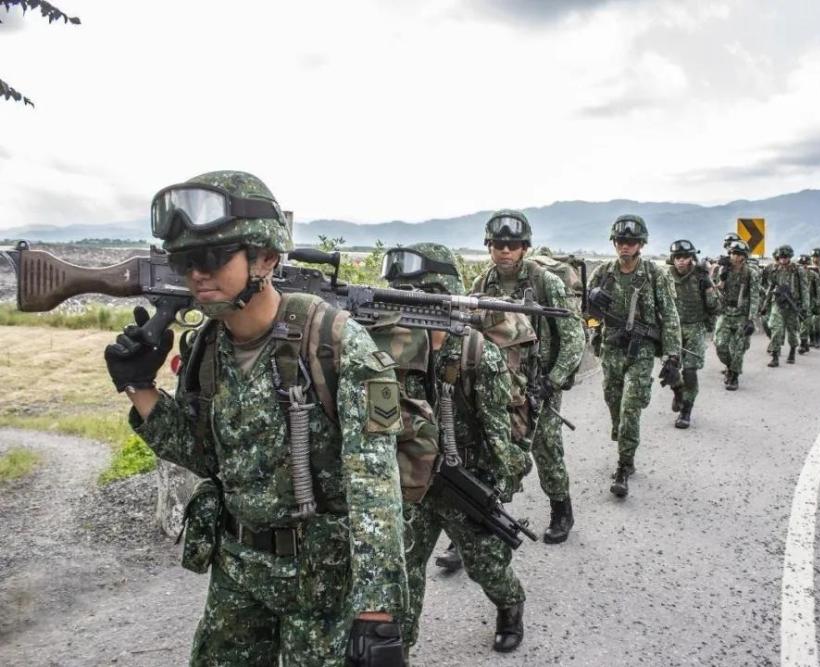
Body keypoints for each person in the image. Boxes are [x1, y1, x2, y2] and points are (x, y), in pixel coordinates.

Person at [104, 171, 408, 666]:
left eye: (212, 258)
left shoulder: (335, 341)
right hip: (238, 573)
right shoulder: (209, 345)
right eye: (184, 261)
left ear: (265, 258)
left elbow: (374, 487)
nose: (196, 275)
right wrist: (140, 388)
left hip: (322, 582)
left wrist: (377, 614)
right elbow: (206, 456)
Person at [383, 243, 530, 654]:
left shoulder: (475, 353)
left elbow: (499, 434)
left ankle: (510, 605)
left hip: (462, 478)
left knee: (488, 566)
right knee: (404, 570)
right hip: (412, 479)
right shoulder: (385, 350)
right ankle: (399, 646)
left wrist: (500, 484)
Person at [470, 210, 585, 544]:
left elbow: (574, 336)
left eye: (513, 244)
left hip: (539, 382)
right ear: (490, 246)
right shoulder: (483, 283)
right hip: (498, 384)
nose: (505, 251)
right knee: (487, 449)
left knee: (546, 447)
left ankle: (561, 510)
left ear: (524, 247)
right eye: (499, 244)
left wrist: (553, 380)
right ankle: (474, 524)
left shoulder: (545, 281)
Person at [588, 215, 681, 497]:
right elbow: (588, 317)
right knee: (613, 401)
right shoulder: (603, 273)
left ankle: (624, 465)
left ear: (640, 244)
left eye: (630, 241)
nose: (624, 246)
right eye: (620, 241)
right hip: (612, 347)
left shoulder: (654, 274)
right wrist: (593, 315)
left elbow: (670, 316)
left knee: (631, 406)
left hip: (641, 349)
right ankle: (622, 436)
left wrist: (672, 355)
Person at [666, 240, 719, 427]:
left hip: (695, 327)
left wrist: (709, 288)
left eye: (685, 257)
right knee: (669, 370)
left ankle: (686, 411)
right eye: (677, 257)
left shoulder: (701, 277)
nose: (681, 261)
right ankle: (678, 392)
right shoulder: (665, 276)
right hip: (672, 328)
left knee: (689, 371)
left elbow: (714, 306)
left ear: (691, 258)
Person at [714, 240, 760, 390]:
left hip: (742, 314)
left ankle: (733, 376)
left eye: (738, 254)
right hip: (725, 312)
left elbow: (755, 296)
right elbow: (715, 290)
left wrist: (752, 319)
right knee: (720, 344)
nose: (734, 257)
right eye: (733, 253)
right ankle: (729, 365)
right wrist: (720, 277)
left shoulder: (751, 273)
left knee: (739, 347)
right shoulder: (723, 270)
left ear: (744, 257)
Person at [764, 244, 809, 367]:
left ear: (790, 257)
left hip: (793, 305)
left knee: (792, 331)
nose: (783, 259)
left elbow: (804, 289)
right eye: (780, 257)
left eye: (785, 257)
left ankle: (792, 351)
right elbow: (770, 287)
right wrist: (764, 305)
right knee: (776, 330)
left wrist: (805, 307)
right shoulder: (774, 269)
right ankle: (775, 356)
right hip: (778, 304)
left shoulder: (798, 270)